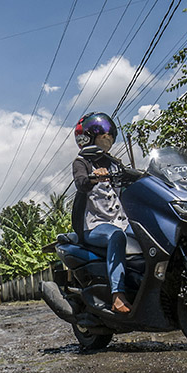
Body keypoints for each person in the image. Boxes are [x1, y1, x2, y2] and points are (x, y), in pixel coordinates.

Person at [72, 112, 132, 314]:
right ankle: (117, 295)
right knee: (117, 236)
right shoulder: (82, 163)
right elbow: (81, 183)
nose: (108, 140)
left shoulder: (114, 163)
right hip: (96, 226)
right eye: (103, 137)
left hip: (122, 221)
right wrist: (93, 177)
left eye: (109, 137)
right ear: (88, 138)